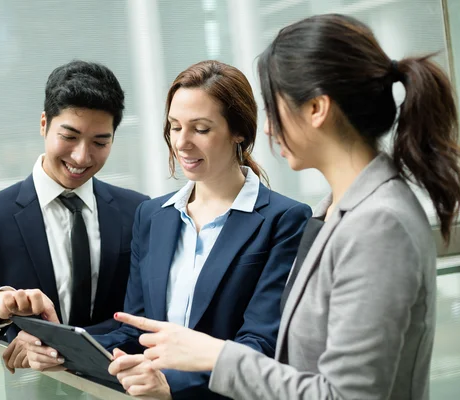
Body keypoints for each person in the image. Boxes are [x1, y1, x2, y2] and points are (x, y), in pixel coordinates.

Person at [108, 13, 460, 400]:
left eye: (274, 107)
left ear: (316, 109)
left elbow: (346, 395)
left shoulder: (379, 223)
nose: (268, 128)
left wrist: (216, 355)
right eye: (175, 126)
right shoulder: (334, 212)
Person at [19, 60, 312, 399]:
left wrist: (170, 383)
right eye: (175, 127)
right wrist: (55, 345)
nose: (182, 143)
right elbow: (134, 328)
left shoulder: (285, 220)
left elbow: (260, 342)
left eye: (200, 129)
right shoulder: (153, 216)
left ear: (239, 132)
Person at [0, 61, 149, 370]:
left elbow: (144, 317)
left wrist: (53, 345)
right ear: (43, 124)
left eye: (100, 142)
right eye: (70, 136)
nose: (82, 156)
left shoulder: (137, 212)